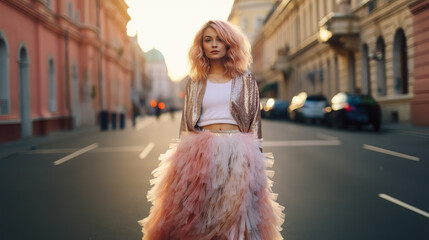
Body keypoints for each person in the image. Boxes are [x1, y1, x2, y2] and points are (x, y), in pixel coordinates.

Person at [139, 20, 284, 240]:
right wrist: (181, 166)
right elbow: (186, 127)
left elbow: (255, 125)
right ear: (201, 46)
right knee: (200, 219)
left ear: (229, 45)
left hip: (237, 153)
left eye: (219, 39)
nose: (214, 44)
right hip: (200, 153)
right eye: (208, 40)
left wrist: (256, 165)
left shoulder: (245, 80)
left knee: (234, 217)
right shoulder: (195, 82)